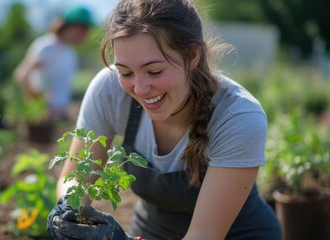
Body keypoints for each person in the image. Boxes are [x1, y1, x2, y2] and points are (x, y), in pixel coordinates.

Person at [47, 0, 282, 239]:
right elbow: (75, 176)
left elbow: (205, 234)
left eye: (155, 71)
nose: (139, 88)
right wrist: (68, 209)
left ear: (192, 55)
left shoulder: (238, 117)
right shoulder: (108, 91)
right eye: (125, 72)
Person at [13, 5, 94, 122]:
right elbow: (21, 75)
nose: (86, 33)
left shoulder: (70, 52)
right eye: (83, 28)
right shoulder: (47, 46)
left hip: (60, 116)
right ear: (69, 26)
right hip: (43, 118)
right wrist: (38, 102)